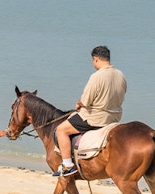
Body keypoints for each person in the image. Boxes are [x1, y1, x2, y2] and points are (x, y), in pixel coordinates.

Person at [53, 45, 126, 177]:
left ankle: (67, 165)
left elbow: (86, 100)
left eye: (93, 61)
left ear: (95, 59)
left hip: (95, 118)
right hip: (114, 118)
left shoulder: (96, 76)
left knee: (61, 130)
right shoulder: (121, 75)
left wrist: (79, 103)